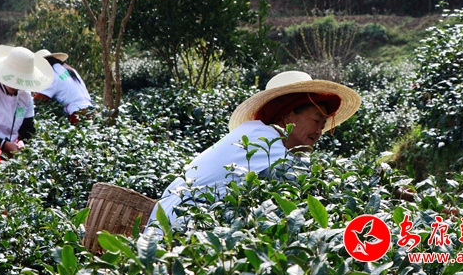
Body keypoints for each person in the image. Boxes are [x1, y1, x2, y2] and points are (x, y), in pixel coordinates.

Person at [147, 70, 362, 228]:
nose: (319, 132)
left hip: (176, 215)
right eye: (316, 121)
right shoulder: (263, 139)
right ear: (288, 116)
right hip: (182, 220)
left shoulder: (256, 132)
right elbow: (304, 188)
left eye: (323, 126)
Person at [0, 45, 54, 155]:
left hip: (12, 148)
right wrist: (3, 144)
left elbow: (28, 130)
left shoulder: (25, 95)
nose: (15, 85)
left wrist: (25, 144)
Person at [33, 49, 93, 124]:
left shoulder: (52, 76)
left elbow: (39, 100)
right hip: (90, 109)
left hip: (76, 112)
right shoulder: (69, 70)